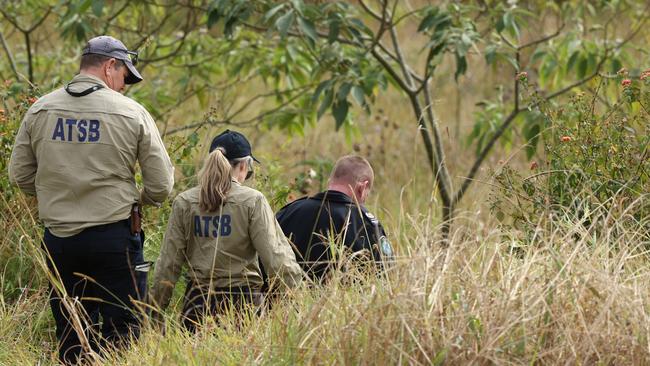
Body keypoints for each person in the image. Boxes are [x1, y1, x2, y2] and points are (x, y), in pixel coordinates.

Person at [8, 35, 174, 364]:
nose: (125, 86)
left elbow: (19, 176)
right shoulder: (132, 113)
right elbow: (161, 186)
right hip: (115, 238)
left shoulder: (40, 109)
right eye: (125, 77)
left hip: (59, 241)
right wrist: (136, 199)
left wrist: (58, 196)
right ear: (109, 66)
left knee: (71, 332)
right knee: (123, 334)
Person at [150, 130, 302, 332]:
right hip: (244, 307)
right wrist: (298, 302)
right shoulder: (253, 201)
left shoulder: (185, 202)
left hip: (197, 307)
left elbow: (169, 263)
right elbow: (276, 257)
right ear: (244, 165)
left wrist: (153, 311)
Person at [276, 155, 393, 282]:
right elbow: (385, 276)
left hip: (286, 298)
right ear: (362, 188)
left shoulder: (288, 212)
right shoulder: (367, 225)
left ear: (329, 182)